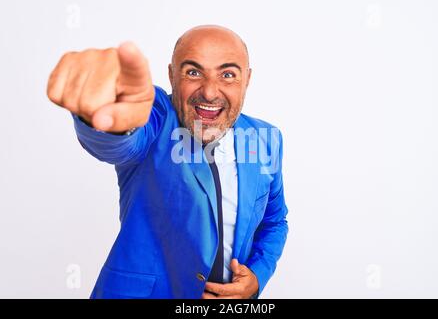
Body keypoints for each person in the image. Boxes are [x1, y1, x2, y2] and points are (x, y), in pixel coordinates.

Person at [47, 25, 288, 299]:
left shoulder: (265, 138)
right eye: (193, 72)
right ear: (172, 75)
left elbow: (275, 220)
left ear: (247, 79)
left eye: (228, 74)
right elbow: (124, 140)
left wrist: (256, 276)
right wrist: (106, 120)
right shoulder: (159, 117)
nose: (209, 92)